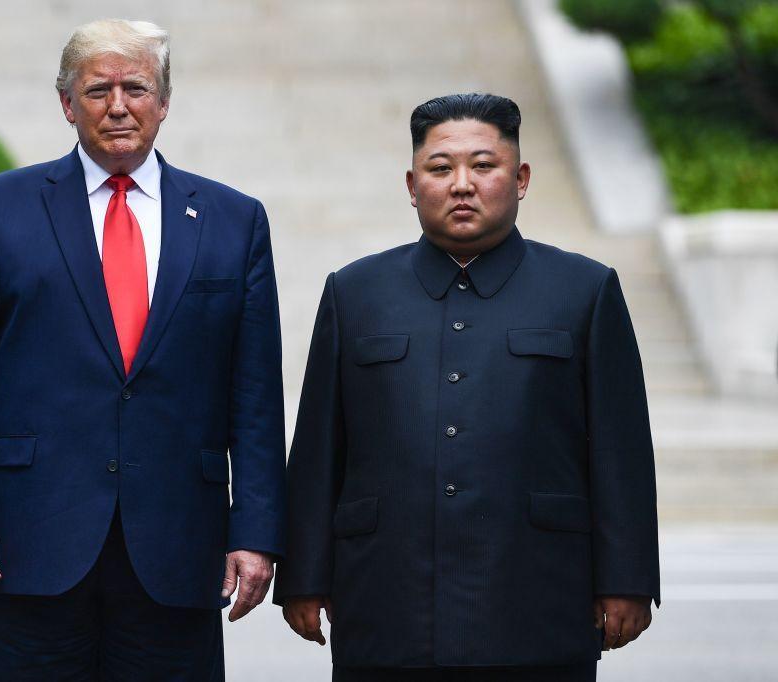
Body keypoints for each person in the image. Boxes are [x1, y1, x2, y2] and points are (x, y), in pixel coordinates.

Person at [0, 19, 285, 680]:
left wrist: (256, 533)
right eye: (97, 90)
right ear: (67, 104)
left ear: (164, 101)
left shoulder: (235, 221)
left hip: (178, 546)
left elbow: (256, 394)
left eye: (136, 88)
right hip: (29, 543)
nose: (118, 106)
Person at [274, 93, 660, 681]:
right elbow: (319, 448)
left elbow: (621, 449)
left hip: (537, 602)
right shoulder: (356, 292)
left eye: (483, 166)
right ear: (411, 183)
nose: (461, 184)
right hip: (387, 606)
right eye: (440, 168)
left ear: (521, 177)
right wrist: (303, 576)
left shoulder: (583, 290)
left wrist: (627, 579)